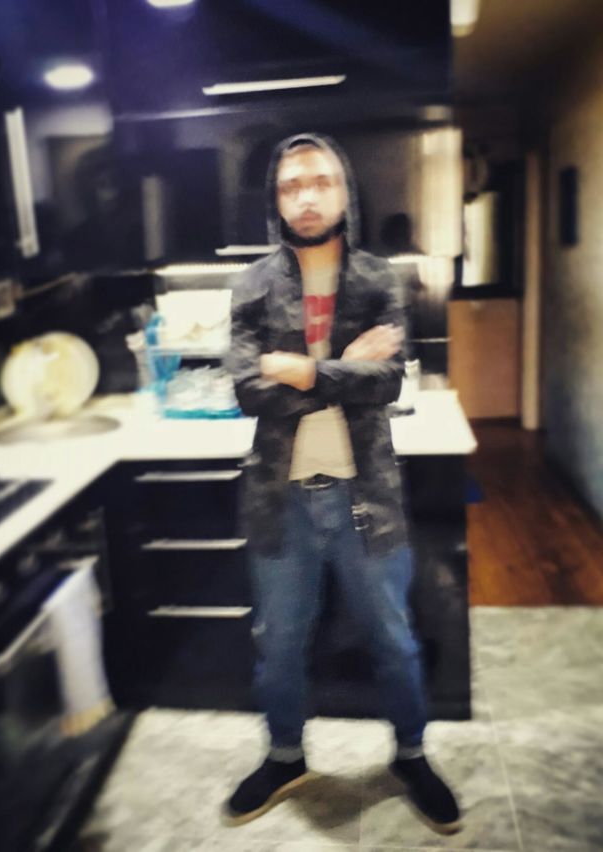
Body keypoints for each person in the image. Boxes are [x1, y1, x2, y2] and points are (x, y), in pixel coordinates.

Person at [223, 133, 461, 835]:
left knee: (394, 638)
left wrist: (298, 369)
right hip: (280, 500)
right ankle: (284, 756)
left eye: (320, 182)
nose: (306, 196)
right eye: (291, 185)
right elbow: (247, 390)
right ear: (276, 199)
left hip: (367, 496)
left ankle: (411, 755)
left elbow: (386, 382)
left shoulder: (377, 279)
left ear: (344, 192)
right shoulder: (252, 285)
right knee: (279, 642)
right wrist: (340, 370)